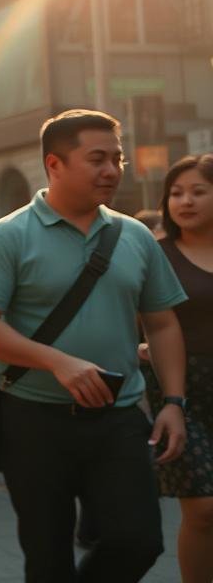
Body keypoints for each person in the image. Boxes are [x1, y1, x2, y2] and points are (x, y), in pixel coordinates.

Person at [0, 109, 187, 583]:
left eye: (118, 159)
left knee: (140, 541)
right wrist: (58, 363)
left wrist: (172, 401)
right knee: (47, 558)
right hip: (32, 420)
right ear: (55, 164)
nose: (112, 171)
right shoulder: (7, 236)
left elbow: (162, 324)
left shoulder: (136, 236)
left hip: (120, 418)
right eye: (97, 159)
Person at [145, 154, 213, 582]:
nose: (185, 201)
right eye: (176, 193)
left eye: (198, 191)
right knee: (205, 508)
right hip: (181, 387)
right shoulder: (155, 253)